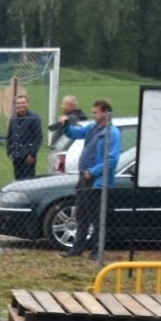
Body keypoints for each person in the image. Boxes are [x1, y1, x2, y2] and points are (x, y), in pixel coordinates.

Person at [61, 98, 122, 258]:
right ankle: (77, 248)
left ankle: (97, 250)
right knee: (81, 215)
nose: (93, 115)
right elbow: (75, 133)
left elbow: (112, 160)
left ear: (105, 113)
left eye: (96, 112)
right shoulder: (93, 128)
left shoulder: (112, 133)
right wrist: (66, 125)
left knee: (96, 217)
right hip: (84, 177)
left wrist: (93, 172)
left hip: (96, 181)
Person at [5, 93, 42, 181]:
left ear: (27, 104)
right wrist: (9, 152)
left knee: (28, 181)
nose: (21, 105)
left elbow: (38, 137)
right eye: (18, 103)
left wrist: (32, 154)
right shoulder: (13, 119)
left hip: (27, 157)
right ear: (15, 105)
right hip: (16, 156)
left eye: (23, 103)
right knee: (18, 180)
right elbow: (10, 136)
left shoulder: (34, 118)